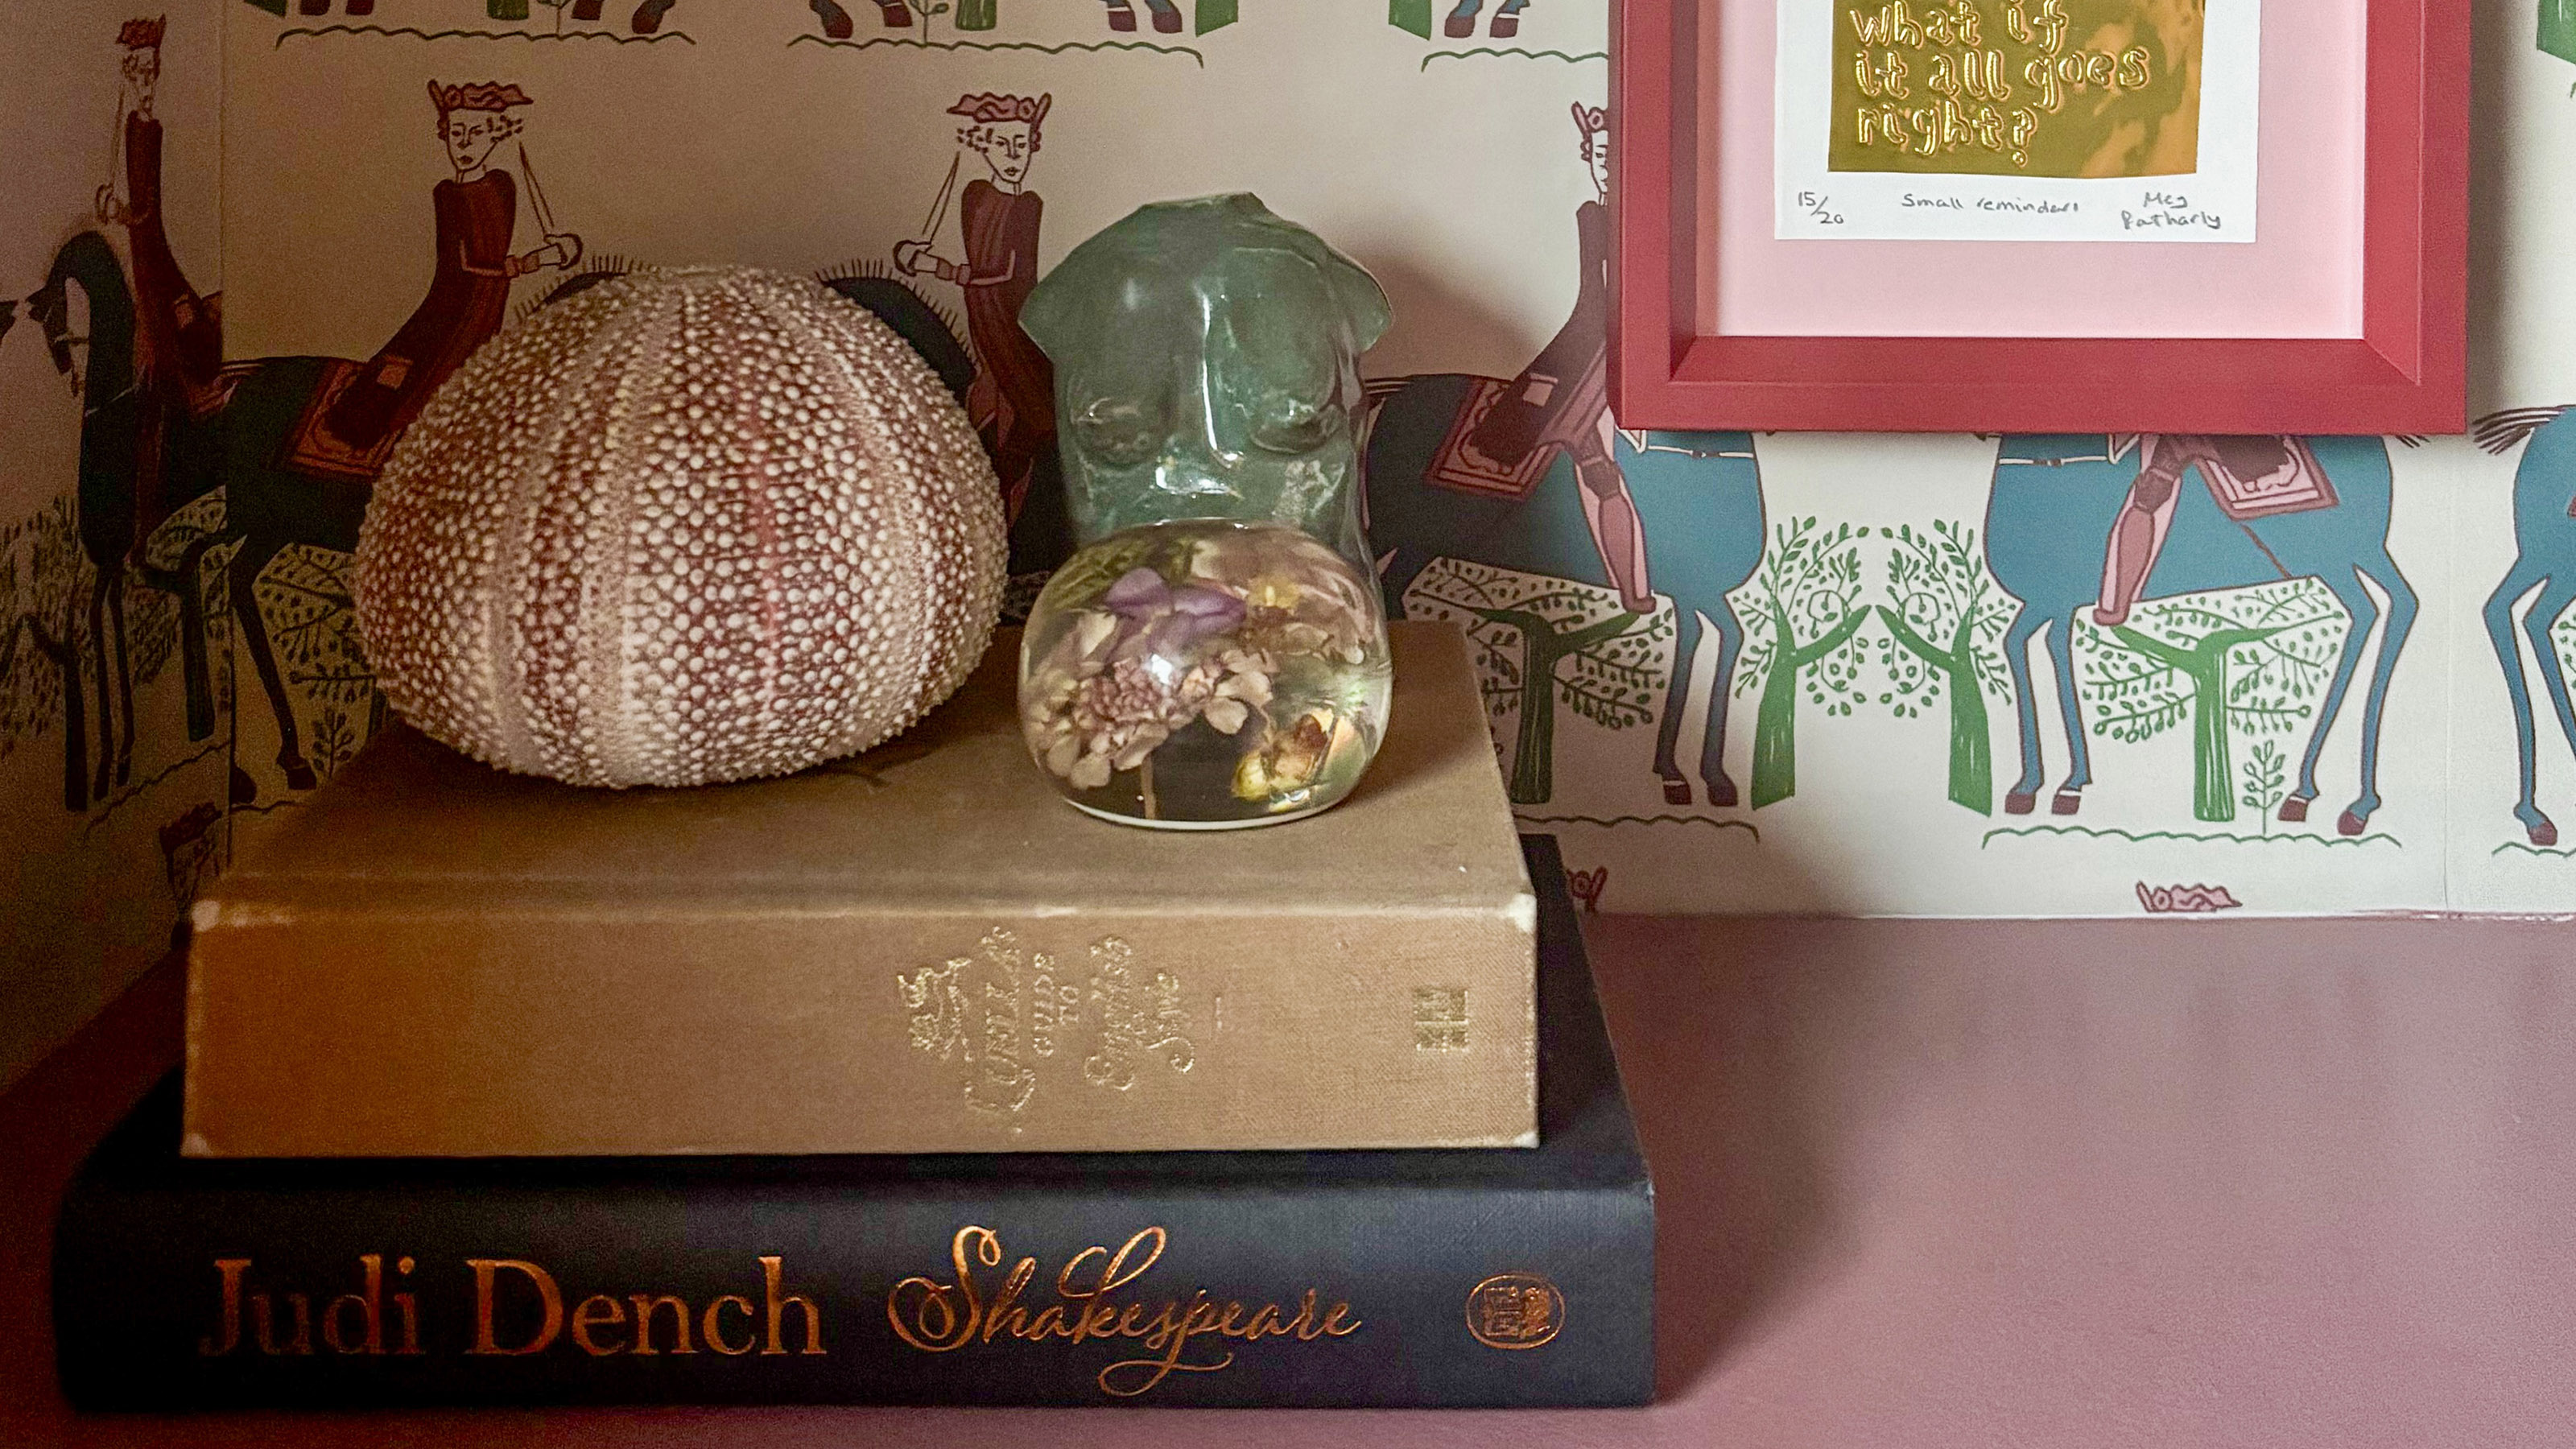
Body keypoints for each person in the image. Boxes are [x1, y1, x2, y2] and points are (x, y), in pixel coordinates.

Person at [320, 80, 579, 457]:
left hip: (488, 300)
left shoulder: (503, 183)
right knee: (406, 373)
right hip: (451, 300)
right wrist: (531, 262)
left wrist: (552, 251)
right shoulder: (448, 194)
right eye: (456, 134)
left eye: (476, 133)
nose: (464, 144)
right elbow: (461, 264)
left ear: (495, 136)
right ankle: (362, 428)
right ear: (445, 136)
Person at [1463, 102, 1652, 614]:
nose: (1607, 165)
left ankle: (1633, 590)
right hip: (1584, 344)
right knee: (1588, 460)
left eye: (1617, 156)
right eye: (1600, 155)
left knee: (1601, 469)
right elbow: (1593, 291)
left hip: (1614, 346)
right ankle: (1629, 591)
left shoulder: (1653, 217)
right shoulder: (1590, 217)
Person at [894, 93, 1057, 522]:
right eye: (1001, 144)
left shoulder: (1028, 206)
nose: (1012, 156)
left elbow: (1007, 272)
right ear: (982, 145)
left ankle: (1008, 509)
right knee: (994, 400)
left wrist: (938, 268)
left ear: (1034, 145)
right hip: (984, 315)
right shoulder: (975, 194)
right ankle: (984, 497)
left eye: (1020, 145)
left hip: (1015, 317)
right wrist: (917, 255)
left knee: (1035, 416)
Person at [97, 17, 221, 419]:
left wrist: (127, 213)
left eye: (147, 69)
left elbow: (154, 216)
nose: (142, 77)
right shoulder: (136, 122)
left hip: (191, 301)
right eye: (137, 69)